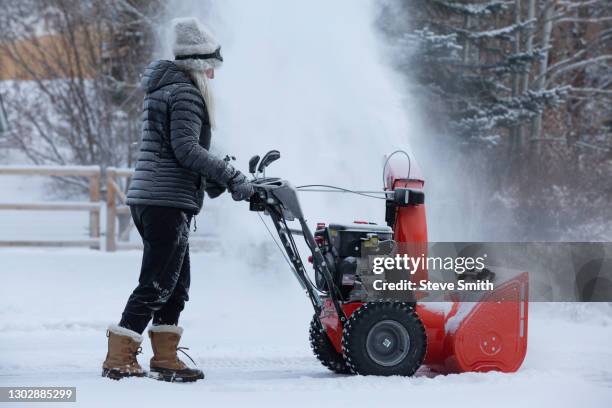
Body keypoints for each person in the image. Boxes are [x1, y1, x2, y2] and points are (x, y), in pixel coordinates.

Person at [102, 17, 253, 382]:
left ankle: (165, 357)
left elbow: (178, 150)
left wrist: (217, 180)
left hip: (157, 197)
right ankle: (118, 357)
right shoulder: (185, 92)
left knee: (175, 283)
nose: (214, 77)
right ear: (199, 65)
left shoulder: (165, 89)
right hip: (164, 200)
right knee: (158, 281)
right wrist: (230, 176)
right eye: (211, 69)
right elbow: (186, 150)